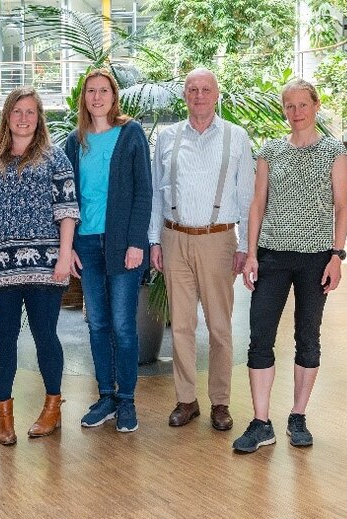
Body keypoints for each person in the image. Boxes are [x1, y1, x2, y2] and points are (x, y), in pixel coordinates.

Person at [232, 79, 347, 453]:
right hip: (271, 256)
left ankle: (298, 415)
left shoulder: (333, 150)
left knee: (307, 336)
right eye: (289, 106)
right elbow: (257, 205)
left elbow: (342, 207)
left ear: (315, 106)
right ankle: (261, 421)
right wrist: (251, 254)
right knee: (260, 335)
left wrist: (337, 255)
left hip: (316, 258)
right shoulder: (270, 151)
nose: (296, 113)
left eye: (302, 105)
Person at [0, 87, 79, 446]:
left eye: (31, 112)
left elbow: (67, 210)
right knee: (3, 339)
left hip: (45, 267)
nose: (24, 118)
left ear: (39, 118)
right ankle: (4, 414)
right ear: (7, 117)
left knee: (46, 336)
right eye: (18, 111)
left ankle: (52, 407)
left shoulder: (55, 158)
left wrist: (64, 255)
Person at [148, 68, 254, 431]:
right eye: (192, 89)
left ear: (216, 94)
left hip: (219, 239)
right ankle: (186, 399)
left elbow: (246, 196)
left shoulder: (236, 137)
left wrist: (246, 247)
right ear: (184, 95)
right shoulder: (167, 137)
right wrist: (154, 240)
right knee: (181, 326)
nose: (198, 95)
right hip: (174, 237)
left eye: (205, 89)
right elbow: (155, 195)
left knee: (220, 327)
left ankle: (221, 403)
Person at [64, 69, 152, 433]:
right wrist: (66, 246)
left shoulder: (130, 134)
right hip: (85, 242)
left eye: (103, 91)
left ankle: (127, 401)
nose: (97, 97)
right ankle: (105, 397)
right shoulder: (74, 140)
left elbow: (143, 191)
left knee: (123, 326)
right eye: (91, 91)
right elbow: (65, 200)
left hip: (121, 245)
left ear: (114, 97)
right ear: (83, 98)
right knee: (97, 324)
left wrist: (136, 243)